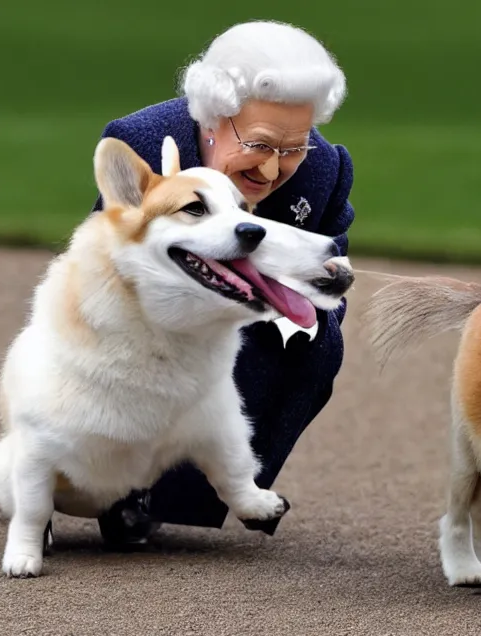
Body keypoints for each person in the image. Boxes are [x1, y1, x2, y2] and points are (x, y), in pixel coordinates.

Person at [91, 20, 355, 545]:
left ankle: (182, 497)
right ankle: (115, 487)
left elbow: (332, 261)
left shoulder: (324, 167)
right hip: (151, 323)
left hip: (251, 318)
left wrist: (317, 292)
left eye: (293, 148)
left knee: (319, 344)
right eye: (259, 144)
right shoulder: (140, 141)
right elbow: (107, 264)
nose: (275, 167)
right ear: (214, 121)